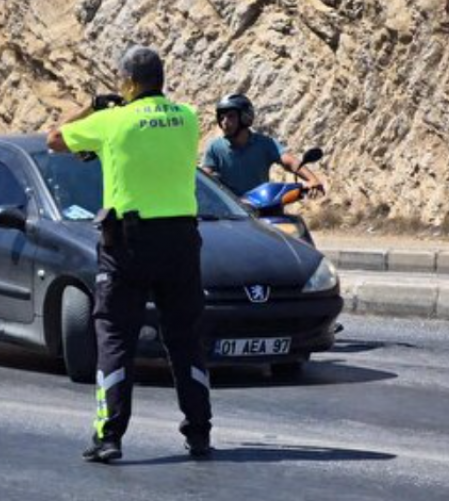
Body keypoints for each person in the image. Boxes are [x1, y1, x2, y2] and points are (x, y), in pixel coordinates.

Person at [46, 46, 211, 463]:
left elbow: (54, 139)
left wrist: (90, 109)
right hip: (181, 241)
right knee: (186, 338)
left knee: (116, 337)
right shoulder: (188, 117)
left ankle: (109, 436)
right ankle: (199, 432)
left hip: (128, 244)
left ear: (130, 83)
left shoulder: (110, 121)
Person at [203, 94, 326, 197]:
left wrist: (312, 180)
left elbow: (289, 161)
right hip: (231, 213)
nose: (225, 122)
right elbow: (205, 178)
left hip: (262, 206)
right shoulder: (215, 147)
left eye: (231, 116)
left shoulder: (265, 144)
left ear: (245, 117)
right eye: (221, 117)